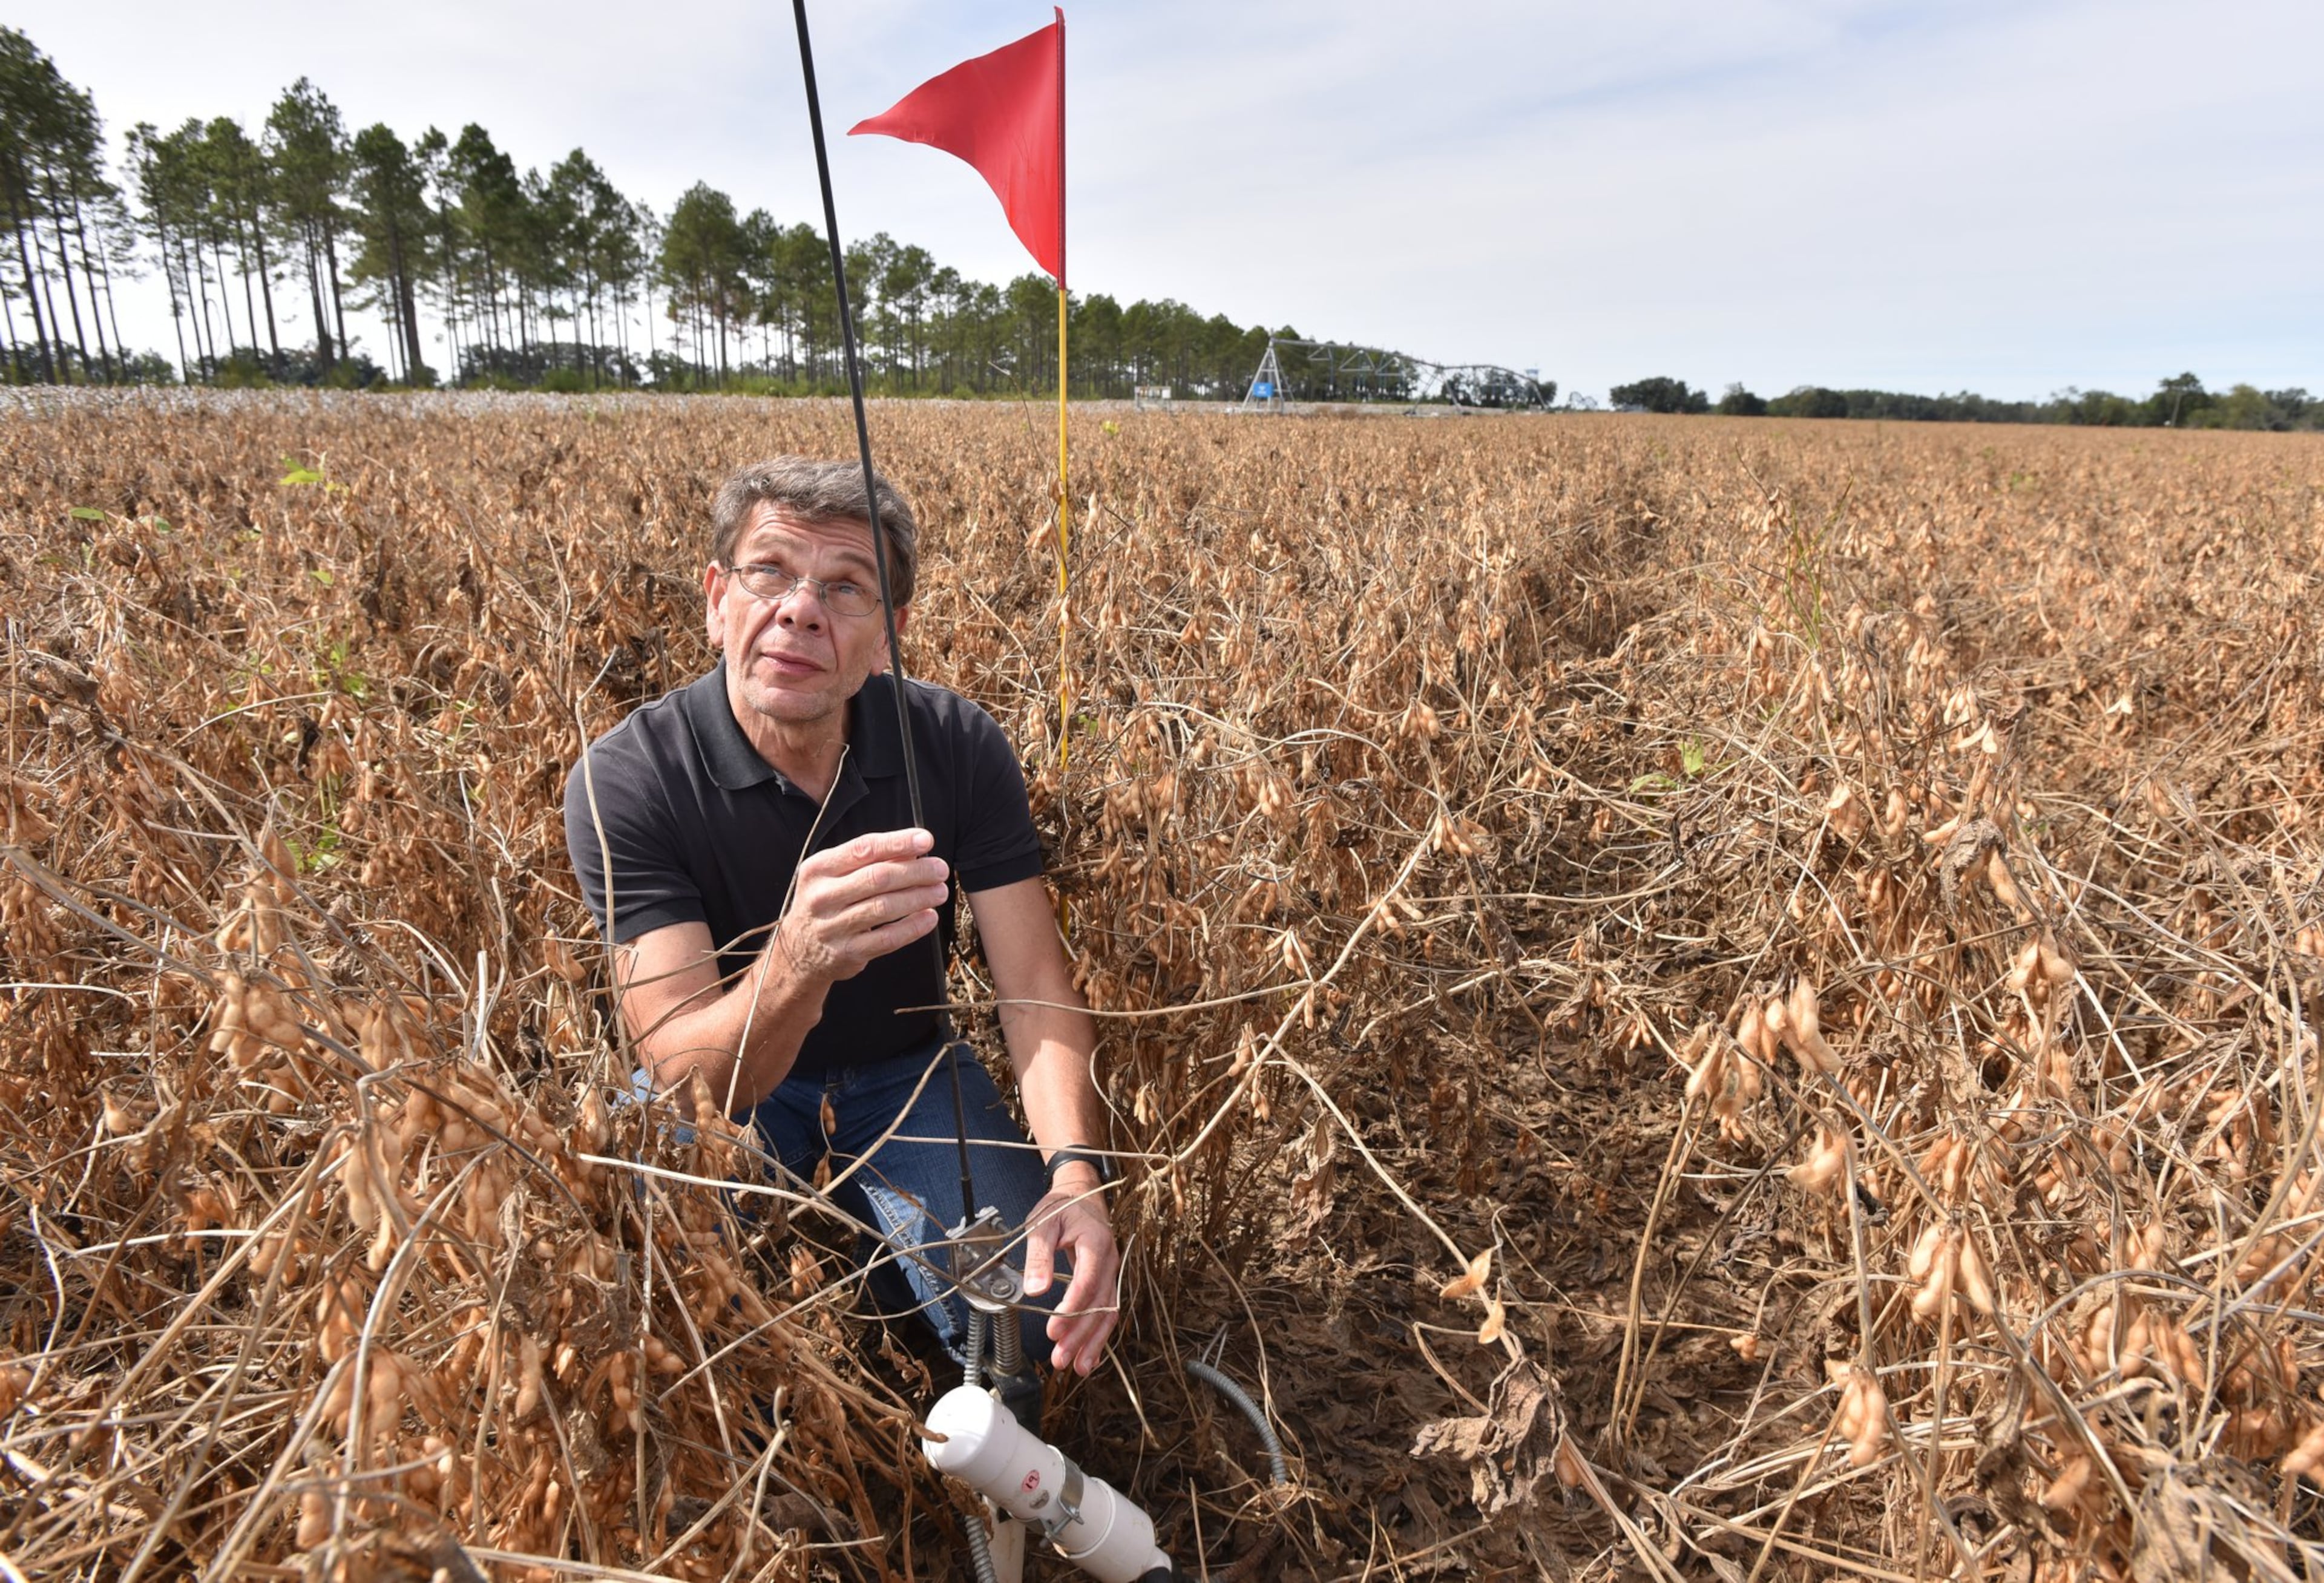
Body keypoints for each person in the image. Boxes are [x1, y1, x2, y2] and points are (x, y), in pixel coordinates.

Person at [562, 456, 1118, 1407]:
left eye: (847, 587)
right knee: (634, 1278)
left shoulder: (955, 744)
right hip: (733, 1094)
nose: (801, 610)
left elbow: (1033, 983)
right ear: (716, 600)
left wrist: (1076, 1176)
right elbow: (683, 1069)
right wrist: (796, 964)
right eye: (768, 571)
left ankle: (908, 1290)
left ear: (888, 636)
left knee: (1040, 1309)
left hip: (911, 1078)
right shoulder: (628, 780)